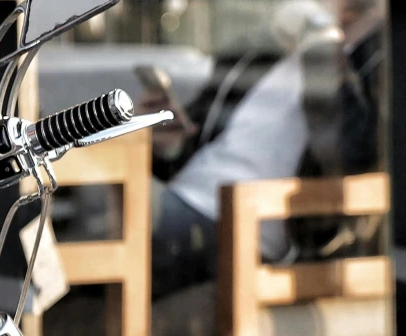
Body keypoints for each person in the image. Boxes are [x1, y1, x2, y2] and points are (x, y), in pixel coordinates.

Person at [140, 0, 386, 295]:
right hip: (184, 204)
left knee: (100, 206)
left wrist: (320, 41)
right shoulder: (265, 50)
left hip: (237, 229)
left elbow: (349, 155)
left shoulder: (387, 62)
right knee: (88, 189)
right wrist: (172, 148)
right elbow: (204, 143)